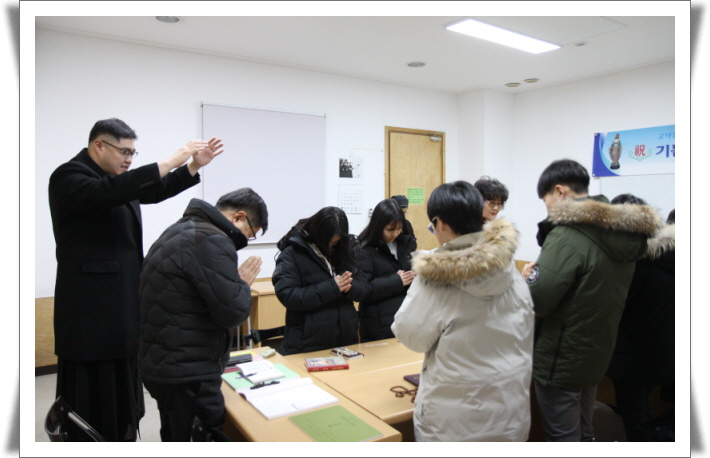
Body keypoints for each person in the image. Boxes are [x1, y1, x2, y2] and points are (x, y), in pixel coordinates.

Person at [48, 118, 223, 441]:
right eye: (124, 151)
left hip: (120, 307)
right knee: (93, 397)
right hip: (90, 314)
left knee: (123, 392)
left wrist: (192, 168)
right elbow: (109, 193)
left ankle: (123, 434)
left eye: (133, 152)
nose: (129, 159)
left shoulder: (116, 180)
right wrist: (173, 159)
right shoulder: (70, 176)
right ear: (98, 145)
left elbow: (152, 191)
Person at [522, 159, 663, 442]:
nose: (547, 209)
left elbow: (538, 300)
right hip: (595, 354)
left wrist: (529, 280)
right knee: (586, 431)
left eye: (545, 201)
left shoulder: (567, 234)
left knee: (563, 437)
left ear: (559, 191)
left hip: (561, 359)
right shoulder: (622, 234)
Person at [391, 181, 534, 442]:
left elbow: (410, 336)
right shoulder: (509, 267)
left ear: (439, 223)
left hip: (455, 424)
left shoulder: (436, 275)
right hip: (510, 414)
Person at [138, 188, 268, 441]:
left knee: (174, 432)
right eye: (250, 234)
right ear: (239, 217)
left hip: (163, 362)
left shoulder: (180, 229)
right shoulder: (213, 240)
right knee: (202, 434)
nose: (246, 240)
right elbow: (232, 313)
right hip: (188, 371)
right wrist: (242, 284)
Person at [605, 198, 675, 441]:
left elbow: (614, 307)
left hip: (633, 358)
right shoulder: (672, 258)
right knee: (643, 411)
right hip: (662, 353)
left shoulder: (638, 264)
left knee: (634, 418)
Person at [272, 206, 366, 355]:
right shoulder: (293, 253)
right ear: (317, 233)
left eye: (336, 242)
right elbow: (289, 295)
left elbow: (364, 287)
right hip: (307, 343)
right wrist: (332, 287)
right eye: (328, 241)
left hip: (345, 340)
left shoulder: (344, 249)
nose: (330, 246)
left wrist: (350, 288)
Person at [356, 199, 416, 342]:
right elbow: (362, 290)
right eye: (390, 229)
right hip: (379, 326)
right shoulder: (364, 250)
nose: (395, 233)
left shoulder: (405, 244)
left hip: (405, 320)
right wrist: (396, 281)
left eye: (399, 228)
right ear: (378, 226)